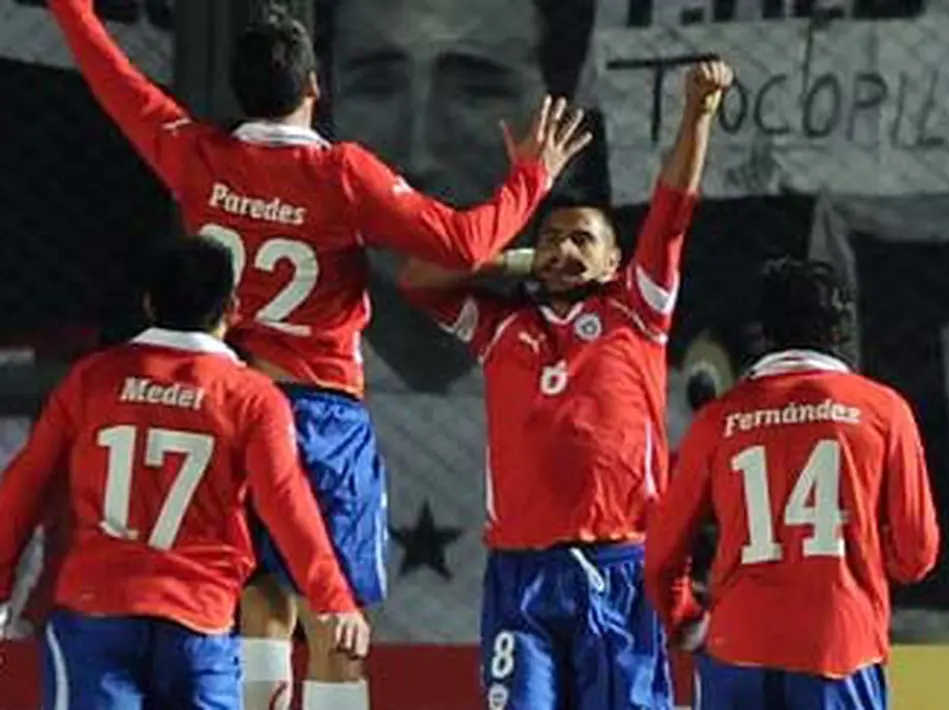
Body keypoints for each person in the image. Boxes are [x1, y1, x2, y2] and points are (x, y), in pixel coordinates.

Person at [47, 2, 591, 707]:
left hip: (233, 408)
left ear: (241, 90)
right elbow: (462, 245)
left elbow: (113, 79)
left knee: (259, 604)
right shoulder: (342, 174)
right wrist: (529, 177)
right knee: (333, 620)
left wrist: (73, 10)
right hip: (321, 416)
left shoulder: (195, 153)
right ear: (315, 90)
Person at [398, 59, 732, 709]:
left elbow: (671, 210)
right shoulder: (500, 327)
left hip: (620, 567)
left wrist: (698, 115)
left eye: (582, 239)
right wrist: (524, 248)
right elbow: (418, 278)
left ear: (614, 260)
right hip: (521, 575)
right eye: (551, 238)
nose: (563, 249)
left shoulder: (637, 311)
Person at [0, 239, 369, 710]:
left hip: (96, 619)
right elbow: (286, 503)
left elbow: (23, 487)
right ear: (233, 308)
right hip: (198, 627)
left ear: (149, 302)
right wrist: (333, 599)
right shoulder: (251, 397)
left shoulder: (92, 380)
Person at [644, 257, 941, 710]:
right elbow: (916, 553)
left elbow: (663, 552)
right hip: (840, 643)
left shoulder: (718, 421)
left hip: (738, 644)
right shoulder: (883, 410)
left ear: (763, 329)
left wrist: (686, 619)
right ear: (842, 328)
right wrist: (862, 558)